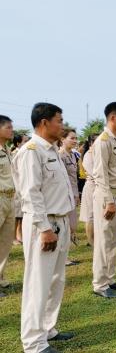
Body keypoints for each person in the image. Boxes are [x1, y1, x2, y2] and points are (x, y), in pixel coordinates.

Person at [12, 103, 76, 352]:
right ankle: (33, 342)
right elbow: (30, 194)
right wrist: (44, 228)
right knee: (38, 283)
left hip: (59, 222)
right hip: (44, 224)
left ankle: (48, 328)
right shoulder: (31, 151)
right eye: (59, 120)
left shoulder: (51, 150)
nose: (62, 125)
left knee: (55, 280)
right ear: (44, 122)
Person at [92, 102, 116, 298]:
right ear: (112, 117)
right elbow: (100, 175)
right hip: (107, 196)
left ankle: (110, 278)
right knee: (103, 241)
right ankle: (100, 284)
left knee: (113, 240)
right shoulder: (103, 141)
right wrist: (109, 201)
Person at [59, 128, 81, 266]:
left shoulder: (73, 155)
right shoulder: (60, 155)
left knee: (71, 226)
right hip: (64, 195)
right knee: (65, 227)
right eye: (71, 138)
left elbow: (74, 177)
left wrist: (77, 193)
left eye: (75, 138)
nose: (75, 141)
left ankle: (65, 255)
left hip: (73, 193)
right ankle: (63, 258)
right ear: (62, 139)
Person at [0, 115, 15, 299]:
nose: (12, 130)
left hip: (10, 198)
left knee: (5, 241)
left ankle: (1, 275)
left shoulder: (6, 149)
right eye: (8, 127)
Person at [79, 134, 98, 247]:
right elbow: (94, 174)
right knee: (90, 216)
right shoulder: (88, 155)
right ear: (91, 143)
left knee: (97, 215)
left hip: (98, 187)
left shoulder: (97, 154)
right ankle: (91, 241)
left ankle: (96, 239)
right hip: (91, 187)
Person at [12, 132, 29, 246]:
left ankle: (20, 235)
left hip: (23, 188)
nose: (28, 143)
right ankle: (13, 237)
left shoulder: (25, 154)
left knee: (21, 216)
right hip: (16, 188)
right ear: (18, 143)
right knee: (16, 215)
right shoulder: (15, 154)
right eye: (25, 141)